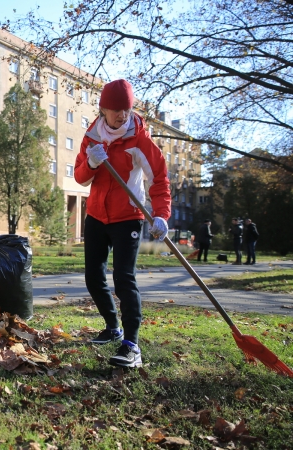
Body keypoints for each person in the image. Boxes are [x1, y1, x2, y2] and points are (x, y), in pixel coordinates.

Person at [74, 79, 171, 368]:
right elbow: (80, 178)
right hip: (95, 215)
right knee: (93, 277)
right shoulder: (91, 137)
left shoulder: (140, 139)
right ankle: (112, 326)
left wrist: (161, 215)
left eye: (126, 109)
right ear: (103, 108)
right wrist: (91, 162)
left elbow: (160, 180)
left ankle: (131, 344)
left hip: (128, 215)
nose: (122, 115)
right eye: (116, 110)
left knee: (124, 279)